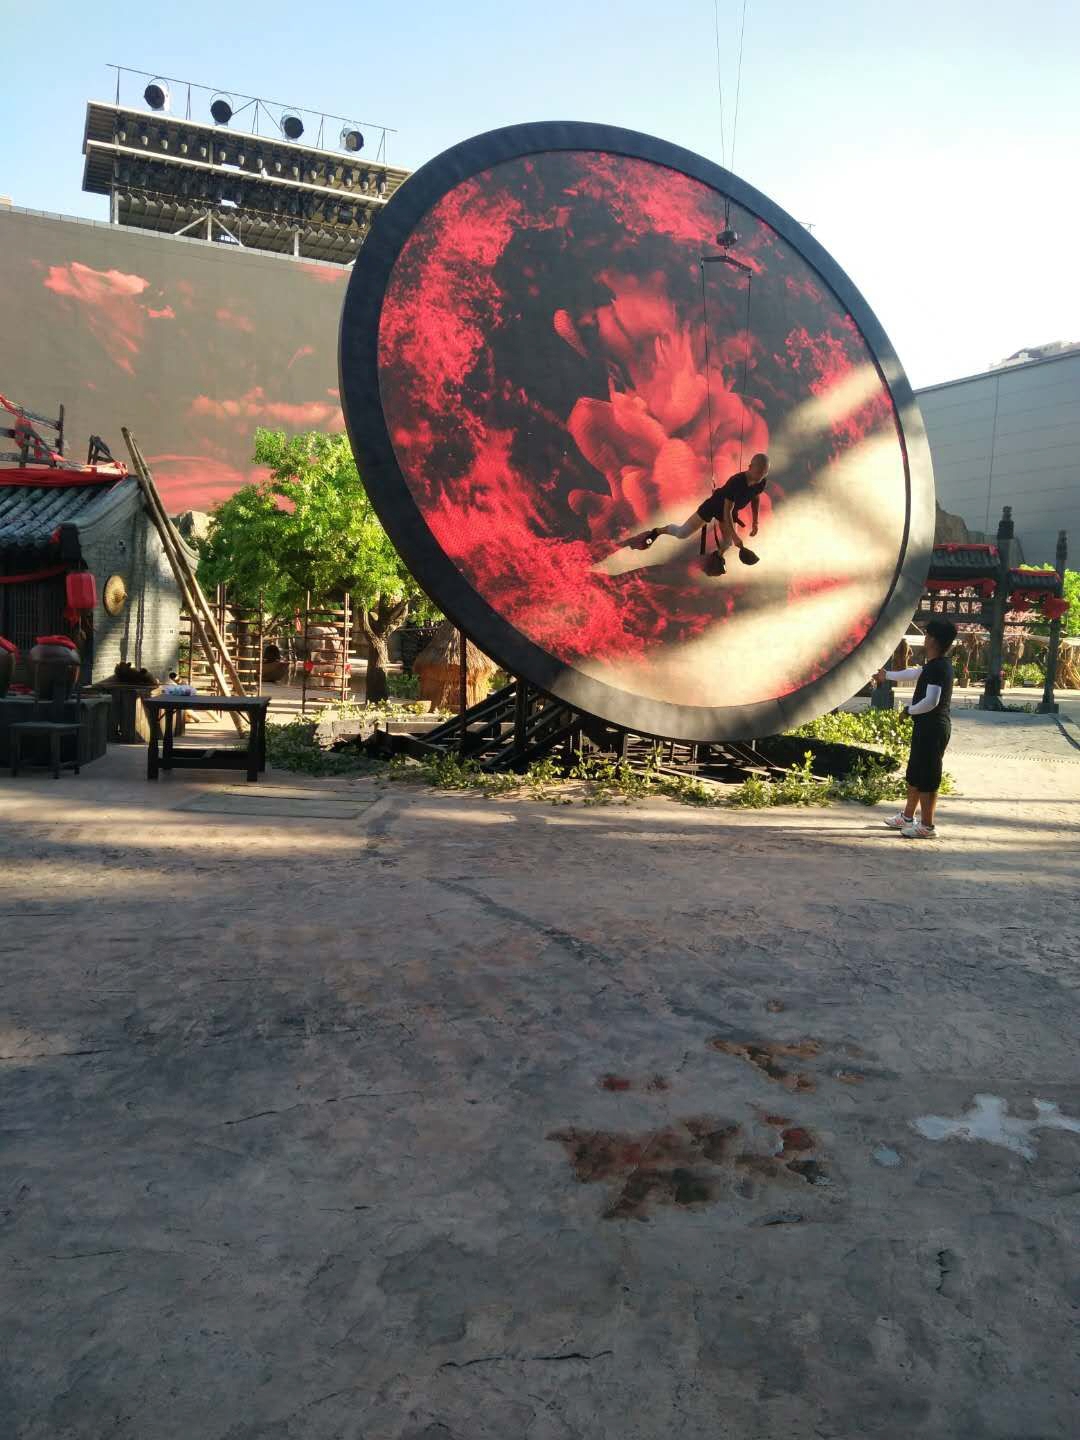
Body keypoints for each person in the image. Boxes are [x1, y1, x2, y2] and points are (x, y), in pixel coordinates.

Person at [875, 618, 957, 839]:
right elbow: (913, 673)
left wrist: (908, 711)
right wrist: (887, 675)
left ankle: (927, 827)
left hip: (934, 728)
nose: (924, 638)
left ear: (933, 640)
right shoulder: (935, 665)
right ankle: (908, 817)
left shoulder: (938, 668)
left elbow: (931, 701)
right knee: (915, 773)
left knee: (928, 777)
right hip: (925, 726)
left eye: (927, 635)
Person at [624, 453, 770, 574]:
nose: (760, 477)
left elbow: (755, 497)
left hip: (731, 511)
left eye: (764, 473)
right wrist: (736, 536)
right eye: (758, 472)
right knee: (682, 533)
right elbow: (727, 511)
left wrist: (755, 522)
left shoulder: (761, 482)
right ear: (750, 467)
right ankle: (657, 532)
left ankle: (717, 556)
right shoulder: (736, 482)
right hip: (715, 506)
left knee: (727, 543)